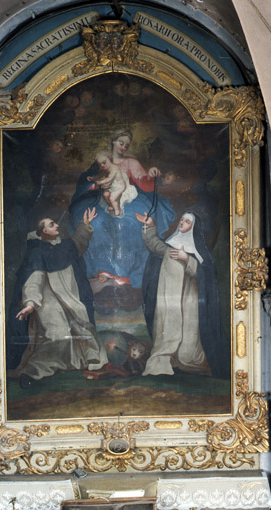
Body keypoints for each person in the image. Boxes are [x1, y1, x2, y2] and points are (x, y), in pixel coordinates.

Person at [9, 208, 108, 388]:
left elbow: (78, 243)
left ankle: (85, 360)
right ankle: (32, 372)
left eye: (55, 223)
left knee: (83, 327)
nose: (56, 226)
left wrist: (85, 225)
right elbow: (34, 279)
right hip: (47, 300)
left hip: (70, 297)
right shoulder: (37, 251)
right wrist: (31, 303)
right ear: (43, 231)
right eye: (51, 224)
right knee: (56, 335)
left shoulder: (64, 245)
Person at [68, 129, 175, 290]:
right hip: (101, 199)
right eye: (121, 143)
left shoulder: (131, 162)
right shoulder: (102, 161)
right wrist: (93, 184)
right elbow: (88, 180)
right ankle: (101, 271)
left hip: (128, 199)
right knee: (96, 224)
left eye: (127, 145)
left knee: (129, 224)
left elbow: (144, 183)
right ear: (113, 141)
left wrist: (151, 175)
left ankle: (124, 275)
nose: (124, 147)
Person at [136, 211, 230, 379]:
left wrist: (187, 259)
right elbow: (155, 245)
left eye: (187, 222)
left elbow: (206, 274)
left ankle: (189, 363)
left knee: (188, 344)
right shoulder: (171, 244)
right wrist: (150, 226)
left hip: (190, 302)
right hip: (169, 300)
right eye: (182, 220)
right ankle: (165, 361)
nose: (182, 223)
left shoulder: (198, 250)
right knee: (167, 329)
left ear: (192, 227)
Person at [87, 150, 137, 217]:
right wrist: (92, 178)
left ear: (110, 159)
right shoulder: (105, 169)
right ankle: (111, 205)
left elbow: (109, 179)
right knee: (105, 194)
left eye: (104, 163)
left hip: (120, 187)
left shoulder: (114, 168)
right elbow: (99, 175)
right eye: (100, 164)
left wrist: (100, 182)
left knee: (112, 197)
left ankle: (117, 210)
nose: (102, 165)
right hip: (112, 187)